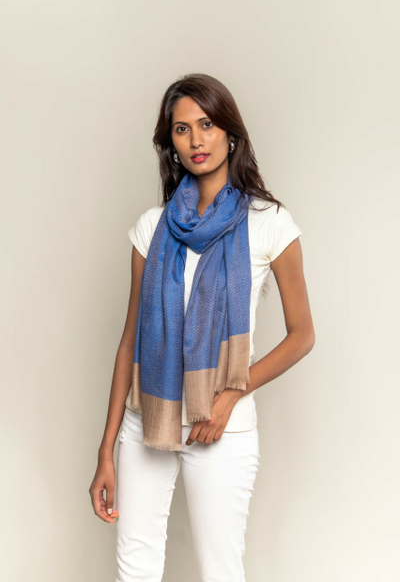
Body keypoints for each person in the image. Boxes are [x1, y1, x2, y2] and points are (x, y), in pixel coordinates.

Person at [89, 73, 315, 582]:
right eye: (182, 129)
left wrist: (232, 394)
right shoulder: (152, 226)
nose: (196, 140)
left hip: (221, 424)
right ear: (170, 142)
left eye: (207, 125)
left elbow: (303, 334)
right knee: (135, 566)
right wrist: (106, 449)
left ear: (231, 133)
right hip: (147, 417)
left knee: (220, 571)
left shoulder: (269, 223)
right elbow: (129, 342)